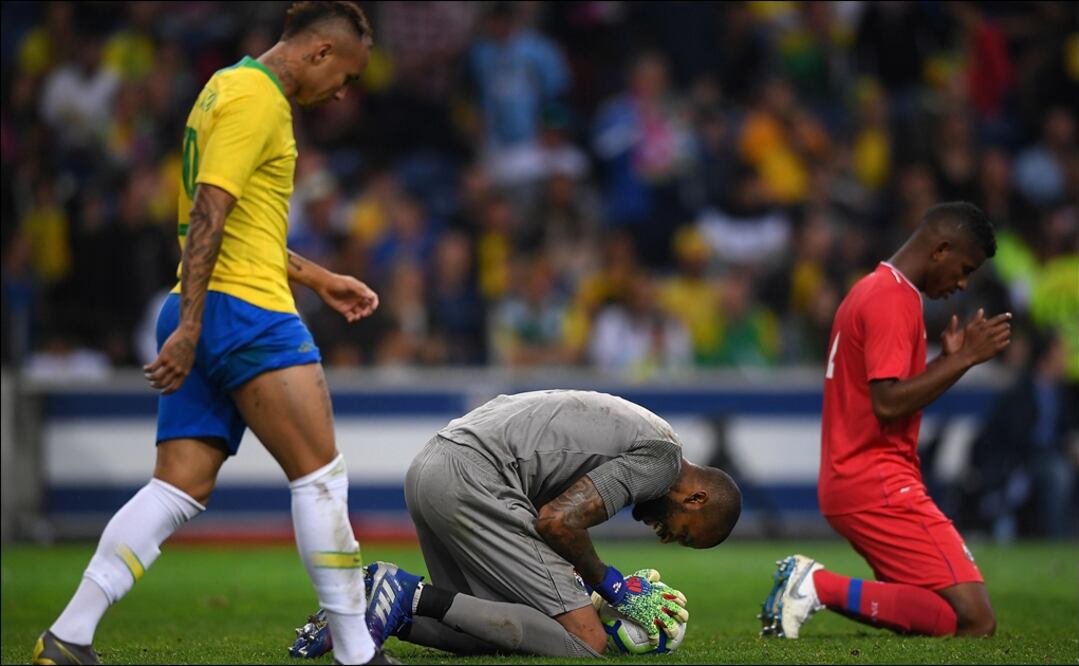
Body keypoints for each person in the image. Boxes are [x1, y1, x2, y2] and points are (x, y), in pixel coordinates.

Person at [33, 3, 392, 665]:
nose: (343, 92)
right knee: (319, 478)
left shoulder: (223, 86)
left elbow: (234, 222)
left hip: (206, 305)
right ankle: (355, 654)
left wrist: (316, 278)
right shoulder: (260, 101)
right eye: (345, 75)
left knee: (177, 487)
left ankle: (68, 636)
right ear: (318, 53)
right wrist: (195, 326)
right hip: (243, 314)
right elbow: (210, 210)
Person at [289, 389, 743, 658]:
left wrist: (581, 589)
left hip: (433, 465)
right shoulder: (662, 463)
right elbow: (557, 521)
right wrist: (612, 587)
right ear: (696, 498)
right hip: (472, 476)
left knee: (498, 627)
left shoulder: (654, 433)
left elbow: (547, 501)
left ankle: (366, 608)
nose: (664, 537)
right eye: (680, 531)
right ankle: (405, 592)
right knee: (586, 641)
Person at [760, 201, 1011, 639]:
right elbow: (889, 404)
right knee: (977, 619)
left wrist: (945, 364)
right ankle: (815, 585)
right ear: (941, 249)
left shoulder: (872, 289)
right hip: (879, 482)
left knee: (943, 615)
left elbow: (883, 396)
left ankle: (815, 588)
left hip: (855, 477)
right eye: (964, 268)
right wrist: (966, 359)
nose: (963, 283)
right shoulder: (893, 299)